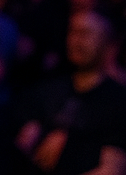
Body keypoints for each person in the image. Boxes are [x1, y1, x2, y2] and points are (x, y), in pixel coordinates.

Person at [14, 9, 126, 175]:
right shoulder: (47, 90)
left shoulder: (118, 101)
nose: (76, 40)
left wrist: (70, 147)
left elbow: (112, 169)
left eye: (85, 34)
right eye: (73, 32)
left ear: (106, 44)